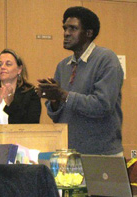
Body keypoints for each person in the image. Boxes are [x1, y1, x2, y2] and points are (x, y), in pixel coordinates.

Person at [36, 6, 124, 155]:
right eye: (64, 28)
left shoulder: (107, 59)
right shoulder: (63, 66)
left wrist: (63, 95)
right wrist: (54, 101)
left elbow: (103, 105)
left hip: (103, 154)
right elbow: (58, 117)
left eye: (73, 28)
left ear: (88, 33)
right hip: (70, 153)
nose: (66, 33)